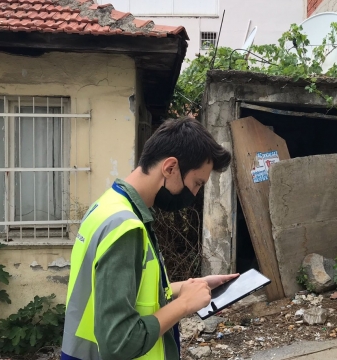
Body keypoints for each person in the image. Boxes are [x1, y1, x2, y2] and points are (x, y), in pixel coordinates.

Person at [62, 117, 239, 360]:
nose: (195, 194)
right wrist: (184, 304)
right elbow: (119, 341)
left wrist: (192, 286)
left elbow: (122, 291)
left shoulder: (107, 207)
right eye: (197, 183)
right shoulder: (126, 227)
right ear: (170, 168)